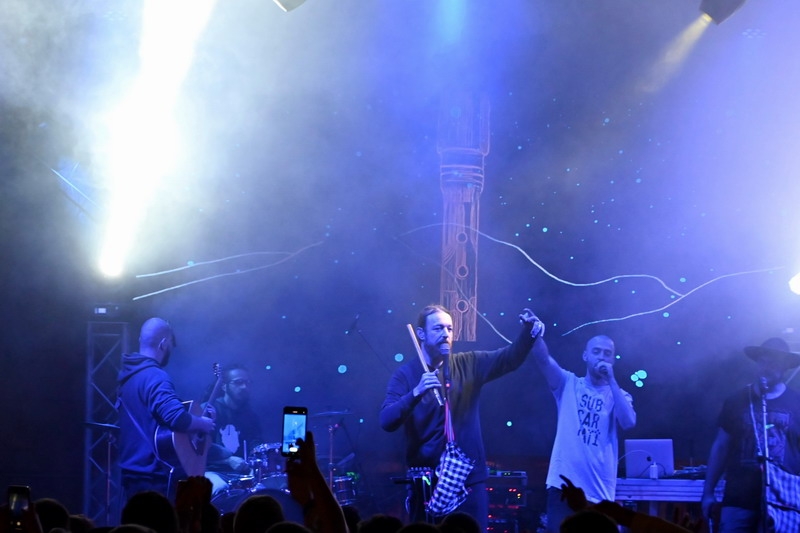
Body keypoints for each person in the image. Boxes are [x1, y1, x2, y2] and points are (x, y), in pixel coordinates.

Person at [379, 304, 542, 530]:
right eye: (438, 328)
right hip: (428, 482)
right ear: (421, 334)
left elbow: (509, 358)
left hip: (468, 480)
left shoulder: (468, 363)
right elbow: (386, 420)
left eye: (449, 328)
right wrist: (416, 392)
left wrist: (528, 333)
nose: (446, 334)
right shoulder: (405, 375)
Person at [531, 326, 636, 533]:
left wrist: (611, 380)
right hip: (563, 487)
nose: (601, 357)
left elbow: (628, 422)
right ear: (585, 355)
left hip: (599, 493)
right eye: (596, 351)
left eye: (607, 353)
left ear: (613, 360)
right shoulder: (568, 383)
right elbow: (544, 360)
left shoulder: (619, 395)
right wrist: (534, 333)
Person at [701, 337, 800, 533]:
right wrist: (708, 492)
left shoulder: (797, 402)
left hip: (784, 500)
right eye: (763, 361)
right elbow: (721, 447)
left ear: (784, 367)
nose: (767, 367)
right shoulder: (736, 401)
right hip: (739, 498)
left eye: (774, 363)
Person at [117, 318, 216, 500]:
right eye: (171, 343)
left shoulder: (128, 377)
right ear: (163, 344)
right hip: (153, 478)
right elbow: (177, 418)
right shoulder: (156, 376)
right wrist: (203, 423)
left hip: (132, 474)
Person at [204, 365, 265, 497]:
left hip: (241, 474)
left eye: (248, 382)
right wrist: (228, 460)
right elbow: (196, 450)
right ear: (224, 386)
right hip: (211, 471)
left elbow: (256, 445)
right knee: (220, 488)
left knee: (264, 491)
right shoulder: (209, 410)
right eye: (238, 382)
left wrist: (256, 464)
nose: (244, 387)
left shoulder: (251, 416)